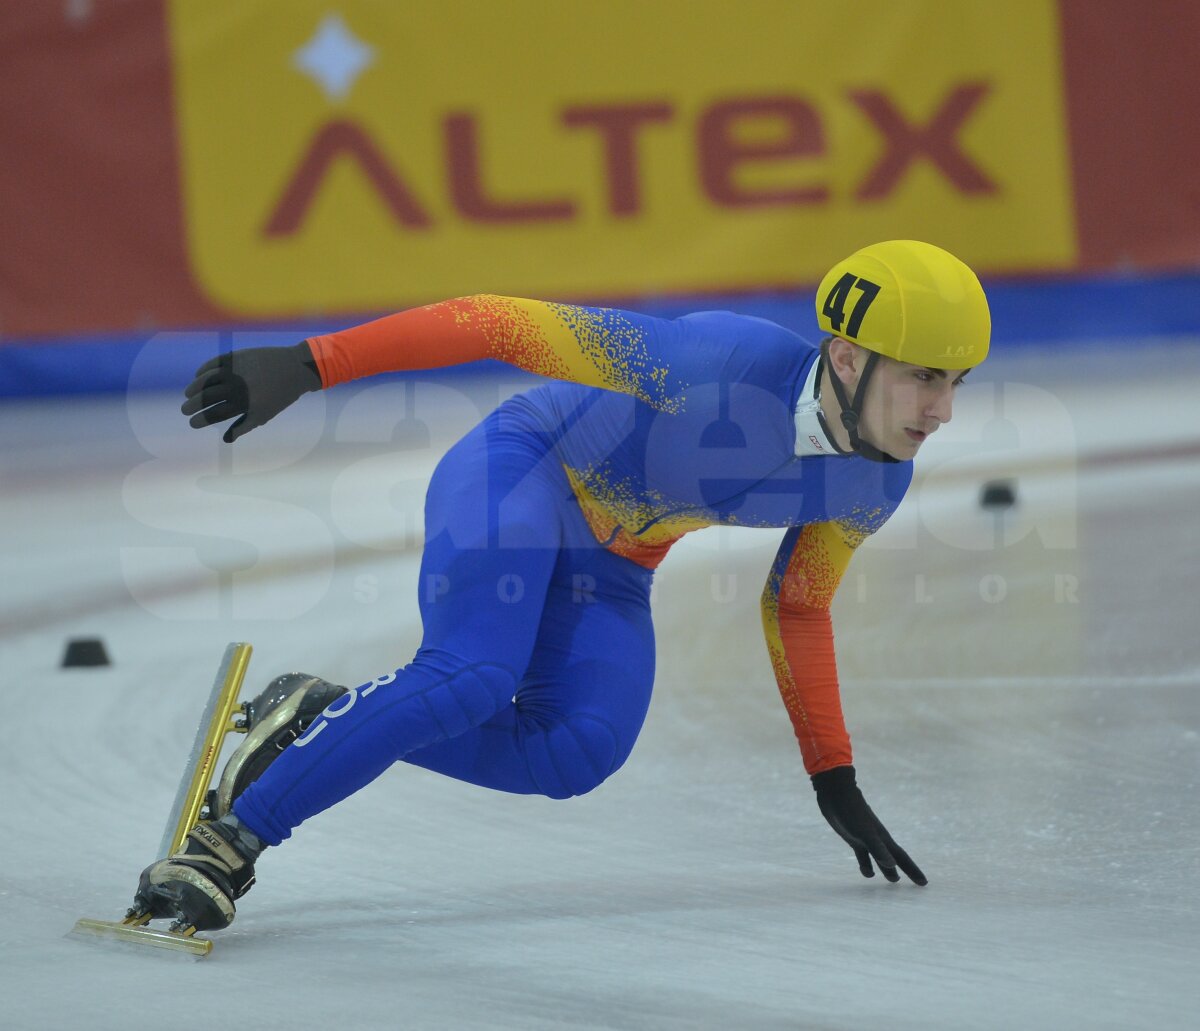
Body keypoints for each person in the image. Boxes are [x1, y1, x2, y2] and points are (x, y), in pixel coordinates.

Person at [135, 240, 990, 933]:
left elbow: (797, 603)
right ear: (847, 357)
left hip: (615, 563)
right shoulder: (714, 360)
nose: (942, 410)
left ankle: (320, 713)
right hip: (524, 473)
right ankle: (226, 842)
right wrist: (314, 362)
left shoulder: (878, 481)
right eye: (924, 377)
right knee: (476, 673)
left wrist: (830, 770)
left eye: (956, 382)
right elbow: (496, 323)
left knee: (578, 750)